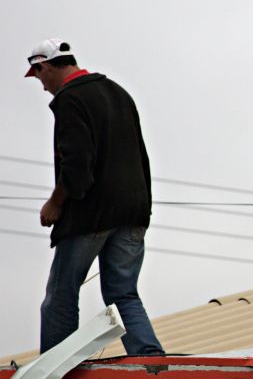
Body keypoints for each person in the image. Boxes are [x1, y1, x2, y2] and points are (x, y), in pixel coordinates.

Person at [25, 38, 164, 356]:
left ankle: (55, 372)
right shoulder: (118, 91)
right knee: (124, 294)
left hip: (91, 214)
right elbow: (139, 156)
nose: (43, 86)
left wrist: (56, 202)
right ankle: (150, 361)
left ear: (44, 66)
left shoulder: (70, 98)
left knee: (61, 294)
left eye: (39, 76)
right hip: (133, 211)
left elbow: (77, 164)